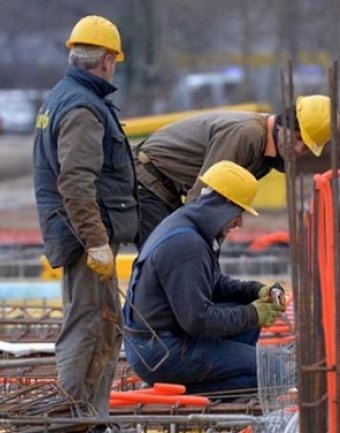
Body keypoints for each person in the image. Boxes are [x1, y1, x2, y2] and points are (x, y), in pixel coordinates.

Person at [32, 15, 137, 425]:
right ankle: (71, 420)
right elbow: (75, 182)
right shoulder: (81, 107)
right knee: (89, 330)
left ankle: (89, 417)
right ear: (107, 60)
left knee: (104, 326)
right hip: (84, 239)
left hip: (79, 233)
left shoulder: (65, 95)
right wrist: (95, 241)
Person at [123, 161, 286, 394]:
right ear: (223, 206)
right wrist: (252, 313)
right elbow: (197, 320)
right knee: (274, 370)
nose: (239, 222)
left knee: (247, 320)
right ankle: (187, 389)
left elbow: (213, 282)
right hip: (160, 352)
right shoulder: (187, 245)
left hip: (159, 342)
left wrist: (254, 291)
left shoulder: (190, 227)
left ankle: (217, 371)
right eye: (238, 212)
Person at [134, 94, 332, 246]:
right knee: (169, 257)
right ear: (283, 124)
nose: (298, 150)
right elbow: (205, 194)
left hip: (166, 186)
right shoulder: (249, 135)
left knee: (178, 255)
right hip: (148, 179)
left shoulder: (267, 153)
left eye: (306, 147)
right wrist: (204, 247)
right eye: (297, 138)